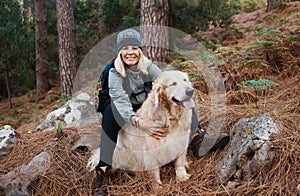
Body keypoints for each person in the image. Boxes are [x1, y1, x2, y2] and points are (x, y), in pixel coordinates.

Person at [93, 28, 229, 196]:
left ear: (140, 50)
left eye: (134, 48)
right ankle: (102, 172)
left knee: (181, 99)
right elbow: (120, 103)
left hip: (145, 104)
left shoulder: (148, 66)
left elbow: (165, 82)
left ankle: (197, 139)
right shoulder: (113, 72)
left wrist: (178, 90)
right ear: (120, 52)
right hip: (122, 109)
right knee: (110, 112)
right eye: (125, 48)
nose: (130, 52)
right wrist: (140, 122)